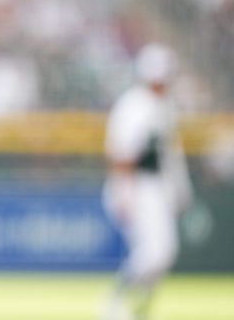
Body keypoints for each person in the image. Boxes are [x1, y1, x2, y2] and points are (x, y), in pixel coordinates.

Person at [101, 43, 193, 320]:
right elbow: (122, 154)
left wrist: (180, 191)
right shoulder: (134, 105)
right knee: (156, 252)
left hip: (156, 187)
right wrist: (123, 191)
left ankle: (138, 307)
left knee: (162, 253)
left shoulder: (165, 106)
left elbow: (171, 157)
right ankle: (116, 299)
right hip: (138, 186)